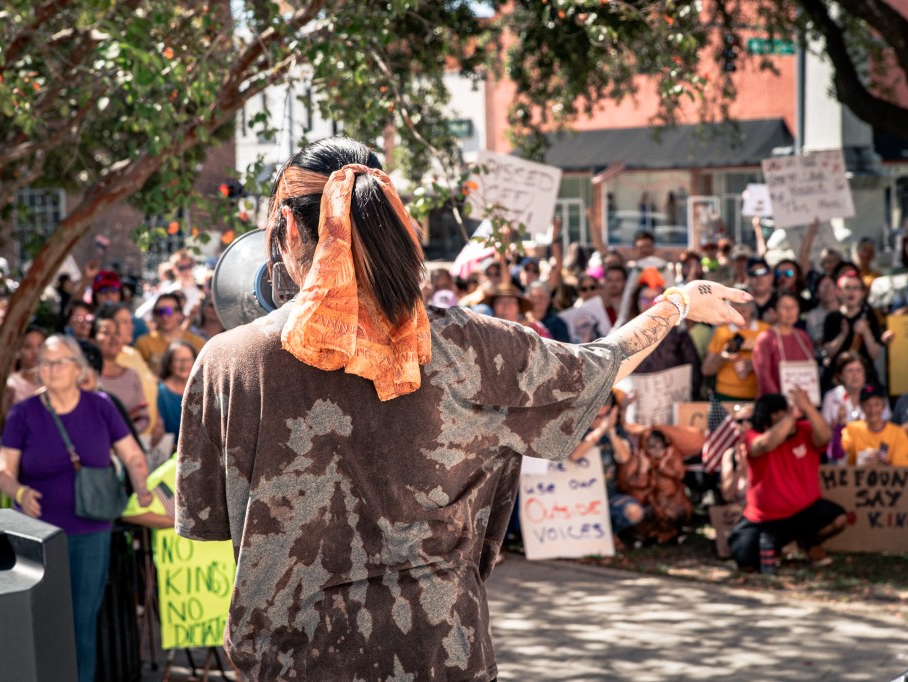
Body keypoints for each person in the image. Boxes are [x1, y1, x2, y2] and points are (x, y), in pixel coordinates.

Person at [174, 136, 749, 680]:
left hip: (295, 661)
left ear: (290, 228)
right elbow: (596, 368)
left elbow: (209, 524)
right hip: (443, 651)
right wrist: (676, 304)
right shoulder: (471, 347)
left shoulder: (228, 362)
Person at [0, 335, 152, 682]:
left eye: (59, 362)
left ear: (78, 368)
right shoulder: (23, 413)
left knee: (81, 622)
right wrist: (19, 491)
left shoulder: (101, 406)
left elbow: (132, 455)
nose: (51, 369)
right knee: (43, 620)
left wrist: (141, 488)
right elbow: (2, 471)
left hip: (90, 532)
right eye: (45, 363)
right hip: (38, 535)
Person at [727, 390, 847, 572]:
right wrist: (791, 416)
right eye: (780, 416)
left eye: (786, 413)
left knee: (839, 518)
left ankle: (809, 542)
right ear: (768, 421)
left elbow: (825, 437)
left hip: (804, 512)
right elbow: (765, 445)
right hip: (764, 518)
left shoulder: (804, 429)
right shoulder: (753, 436)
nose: (789, 421)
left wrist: (807, 407)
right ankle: (776, 548)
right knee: (744, 557)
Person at [568, 399, 644, 547]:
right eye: (597, 416)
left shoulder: (616, 430)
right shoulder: (576, 429)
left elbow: (624, 457)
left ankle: (608, 535)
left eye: (606, 415)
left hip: (609, 494)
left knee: (635, 512)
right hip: (576, 496)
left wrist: (611, 433)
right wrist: (600, 431)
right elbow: (575, 455)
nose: (601, 420)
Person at [616, 429, 692, 544]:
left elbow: (679, 475)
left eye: (659, 444)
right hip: (644, 502)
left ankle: (670, 534)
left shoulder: (671, 456)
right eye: (651, 445)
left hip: (668, 502)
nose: (656, 448)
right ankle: (642, 536)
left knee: (677, 509)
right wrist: (643, 471)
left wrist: (663, 465)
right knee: (645, 512)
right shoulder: (636, 458)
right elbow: (626, 485)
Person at [821, 272, 890, 387]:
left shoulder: (869, 316)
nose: (851, 292)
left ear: (862, 293)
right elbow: (829, 352)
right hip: (838, 377)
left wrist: (866, 332)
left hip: (865, 376)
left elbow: (875, 354)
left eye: (856, 288)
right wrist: (843, 334)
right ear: (838, 292)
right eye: (847, 288)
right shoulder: (832, 317)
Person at [93, 315, 156, 436]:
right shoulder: (87, 377)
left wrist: (123, 435)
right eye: (106, 333)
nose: (113, 338)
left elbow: (143, 415)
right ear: (93, 339)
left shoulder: (132, 374)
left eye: (117, 333)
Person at [702, 288, 767, 401]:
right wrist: (722, 358)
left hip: (758, 394)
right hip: (725, 394)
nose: (741, 308)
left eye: (745, 303)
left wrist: (754, 364)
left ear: (752, 307)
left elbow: (777, 364)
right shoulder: (722, 332)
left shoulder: (765, 331)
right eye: (736, 303)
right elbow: (706, 370)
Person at [752, 292, 818, 398]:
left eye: (793, 306)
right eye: (784, 307)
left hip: (802, 402)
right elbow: (763, 375)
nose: (790, 311)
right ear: (774, 311)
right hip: (775, 402)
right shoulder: (766, 338)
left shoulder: (803, 337)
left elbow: (810, 371)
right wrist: (782, 402)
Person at [841, 384, 908, 467]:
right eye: (868, 405)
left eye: (877, 404)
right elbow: (839, 456)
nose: (873, 410)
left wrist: (882, 467)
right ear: (862, 406)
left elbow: (903, 468)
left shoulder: (898, 433)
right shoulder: (851, 429)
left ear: (883, 406)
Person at [133, 291, 206, 372]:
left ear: (180, 313)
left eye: (168, 311)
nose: (164, 316)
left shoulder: (197, 343)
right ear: (155, 315)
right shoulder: (144, 343)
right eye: (160, 312)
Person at [156, 340, 198, 447]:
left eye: (188, 360)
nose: (184, 364)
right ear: (169, 363)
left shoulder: (203, 389)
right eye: (179, 360)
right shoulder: (160, 392)